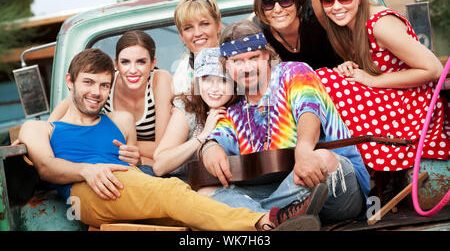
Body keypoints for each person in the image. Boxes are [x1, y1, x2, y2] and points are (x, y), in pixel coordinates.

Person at [17, 48, 321, 231]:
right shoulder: (41, 129)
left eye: (104, 85)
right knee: (174, 192)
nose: (96, 92)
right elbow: (46, 168)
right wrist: (87, 170)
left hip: (128, 187)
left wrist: (135, 161)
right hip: (86, 193)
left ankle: (260, 223)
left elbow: (137, 168)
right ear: (70, 81)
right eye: (88, 82)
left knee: (187, 218)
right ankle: (265, 222)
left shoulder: (120, 121)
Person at [200, 19, 371, 226]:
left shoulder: (295, 72)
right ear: (226, 66)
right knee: (206, 194)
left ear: (267, 55)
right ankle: (281, 219)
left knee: (322, 158)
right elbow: (218, 136)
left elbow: (309, 110)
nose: (247, 67)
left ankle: (263, 218)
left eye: (254, 57)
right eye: (237, 61)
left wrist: (305, 148)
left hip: (334, 186)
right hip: (280, 189)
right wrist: (210, 147)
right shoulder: (235, 109)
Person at [314, 0, 449, 174]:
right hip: (388, 97)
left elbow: (433, 69)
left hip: (414, 106)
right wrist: (350, 67)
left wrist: (373, 80)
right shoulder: (349, 24)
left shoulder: (380, 24)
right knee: (322, 80)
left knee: (322, 79)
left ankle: (337, 168)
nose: (336, 6)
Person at [48, 31, 173, 168]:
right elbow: (59, 117)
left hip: (156, 163)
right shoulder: (105, 83)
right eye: (125, 62)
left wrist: (109, 142)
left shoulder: (159, 80)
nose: (132, 70)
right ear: (116, 64)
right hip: (115, 159)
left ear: (152, 63)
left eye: (141, 62)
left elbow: (163, 149)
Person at [152, 47, 239, 179]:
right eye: (207, 79)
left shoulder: (242, 108)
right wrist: (203, 135)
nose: (214, 88)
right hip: (183, 182)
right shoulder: (189, 106)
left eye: (223, 80)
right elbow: (159, 166)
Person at [250, 0, 342, 69]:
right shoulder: (257, 31)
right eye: (268, 3)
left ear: (297, 0)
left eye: (285, 0)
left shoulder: (315, 5)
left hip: (346, 79)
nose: (277, 9)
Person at [172, 0, 222, 94]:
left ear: (218, 25)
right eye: (188, 28)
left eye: (204, 24)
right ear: (181, 35)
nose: (198, 33)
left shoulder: (236, 62)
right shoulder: (180, 75)